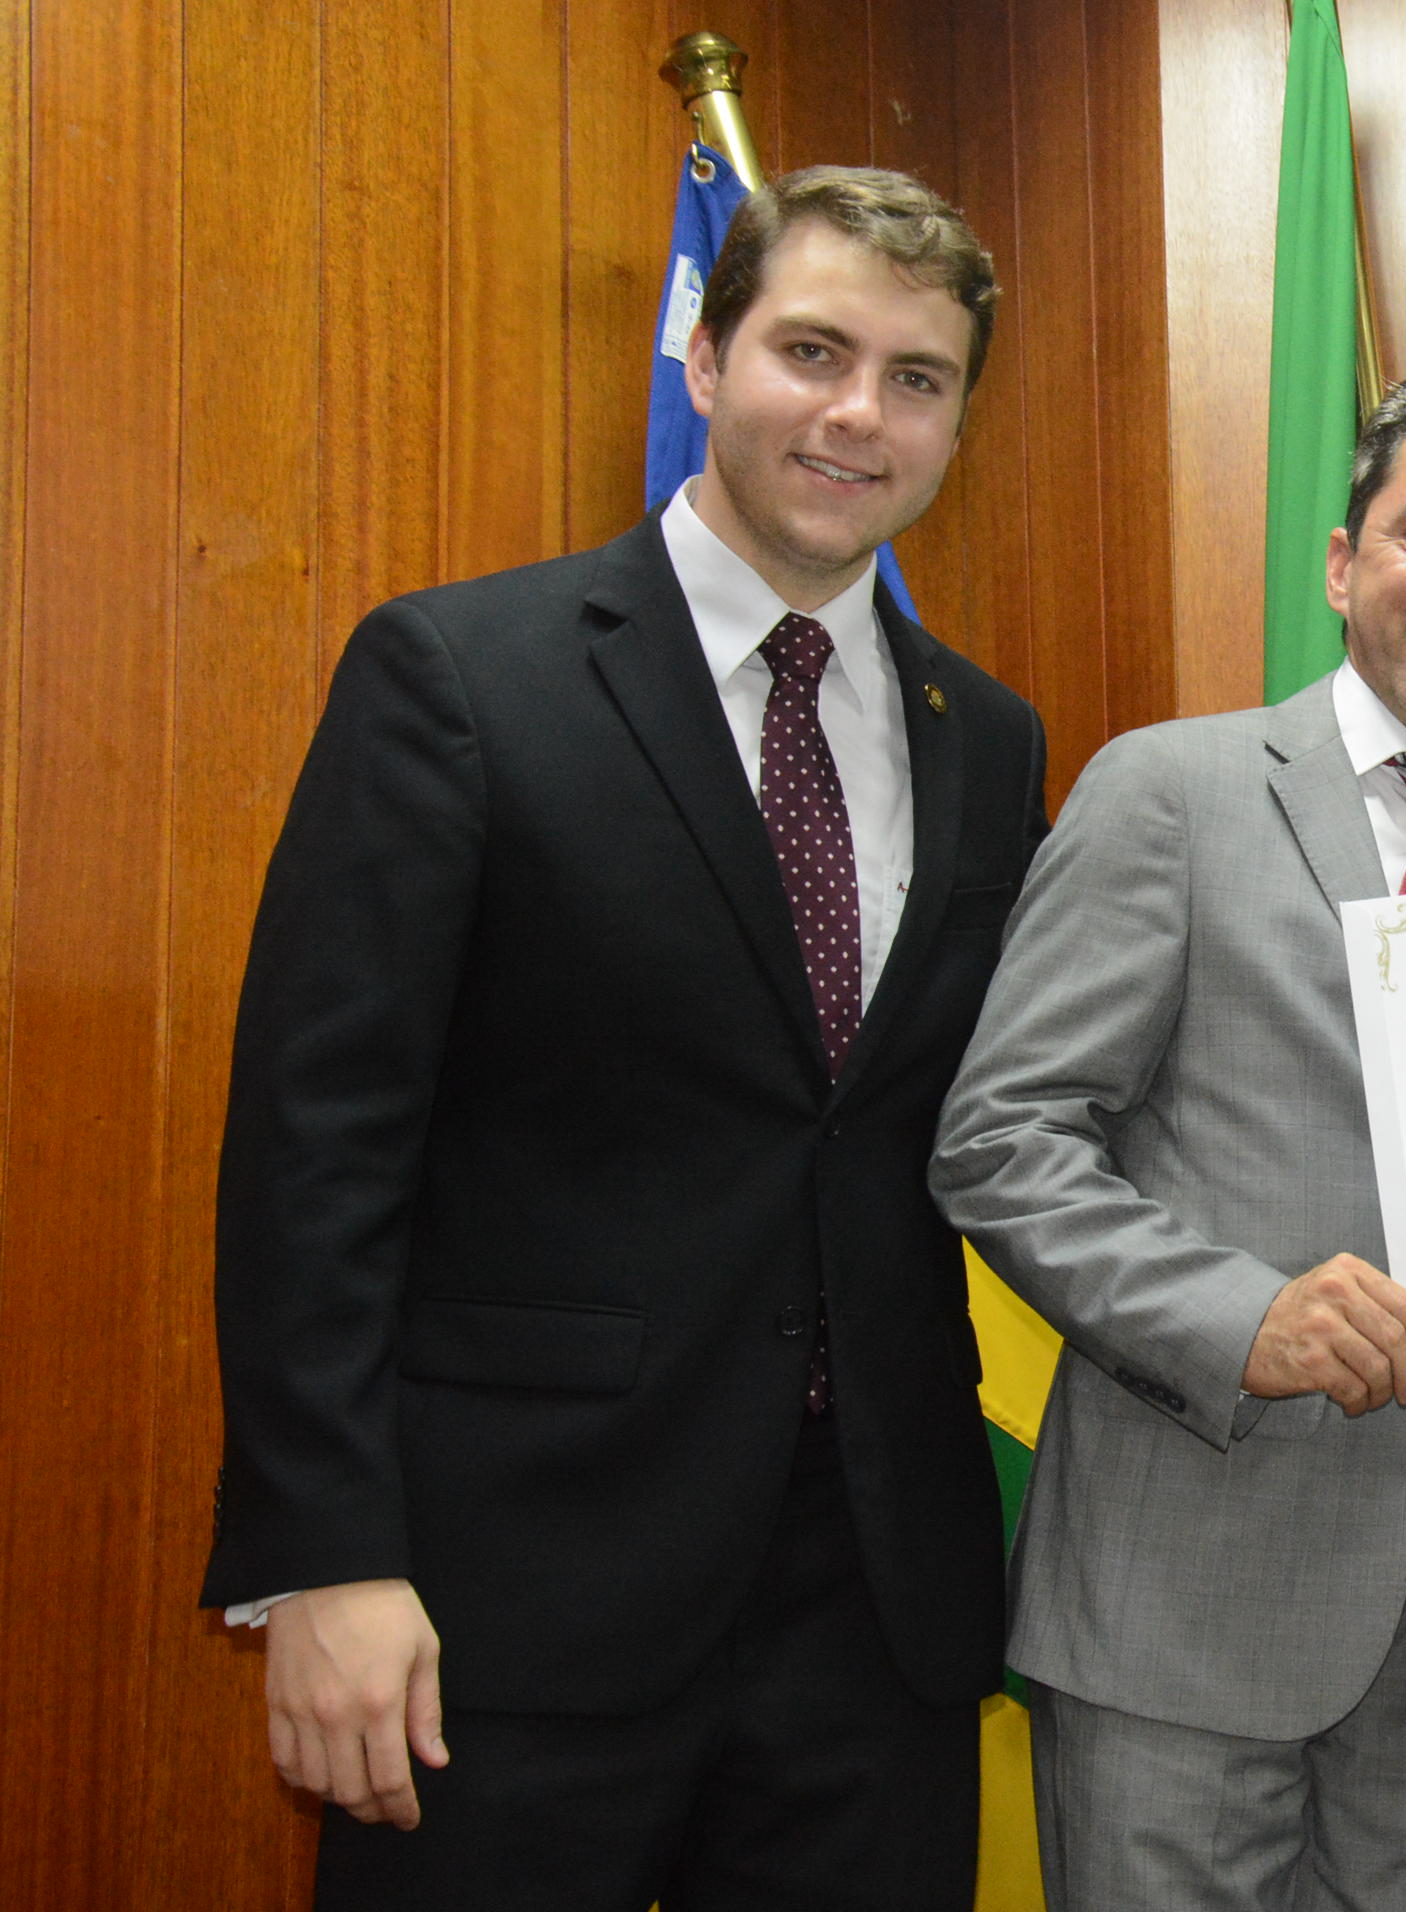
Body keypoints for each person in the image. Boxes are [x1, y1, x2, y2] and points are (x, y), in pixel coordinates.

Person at [201, 166, 1046, 1910]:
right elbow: (315, 1151)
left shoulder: (990, 738)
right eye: (812, 351)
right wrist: (325, 1558)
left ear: (956, 425)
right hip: (508, 1602)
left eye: (916, 378)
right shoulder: (460, 674)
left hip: (873, 1610)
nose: (858, 413)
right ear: (705, 353)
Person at [929, 371, 1406, 1912]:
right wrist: (1244, 1319)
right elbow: (1000, 1139)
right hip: (1177, 1621)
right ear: (1345, 563)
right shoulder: (1169, 791)